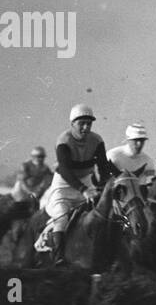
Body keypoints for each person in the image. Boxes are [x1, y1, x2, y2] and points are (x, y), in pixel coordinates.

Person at [42, 104, 118, 265]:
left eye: (89, 124)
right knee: (61, 218)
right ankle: (58, 257)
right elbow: (65, 170)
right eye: (81, 123)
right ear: (72, 124)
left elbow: (103, 167)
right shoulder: (64, 140)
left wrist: (105, 183)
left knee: (101, 215)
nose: (85, 127)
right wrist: (84, 190)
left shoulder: (97, 140)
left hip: (85, 182)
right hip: (64, 184)